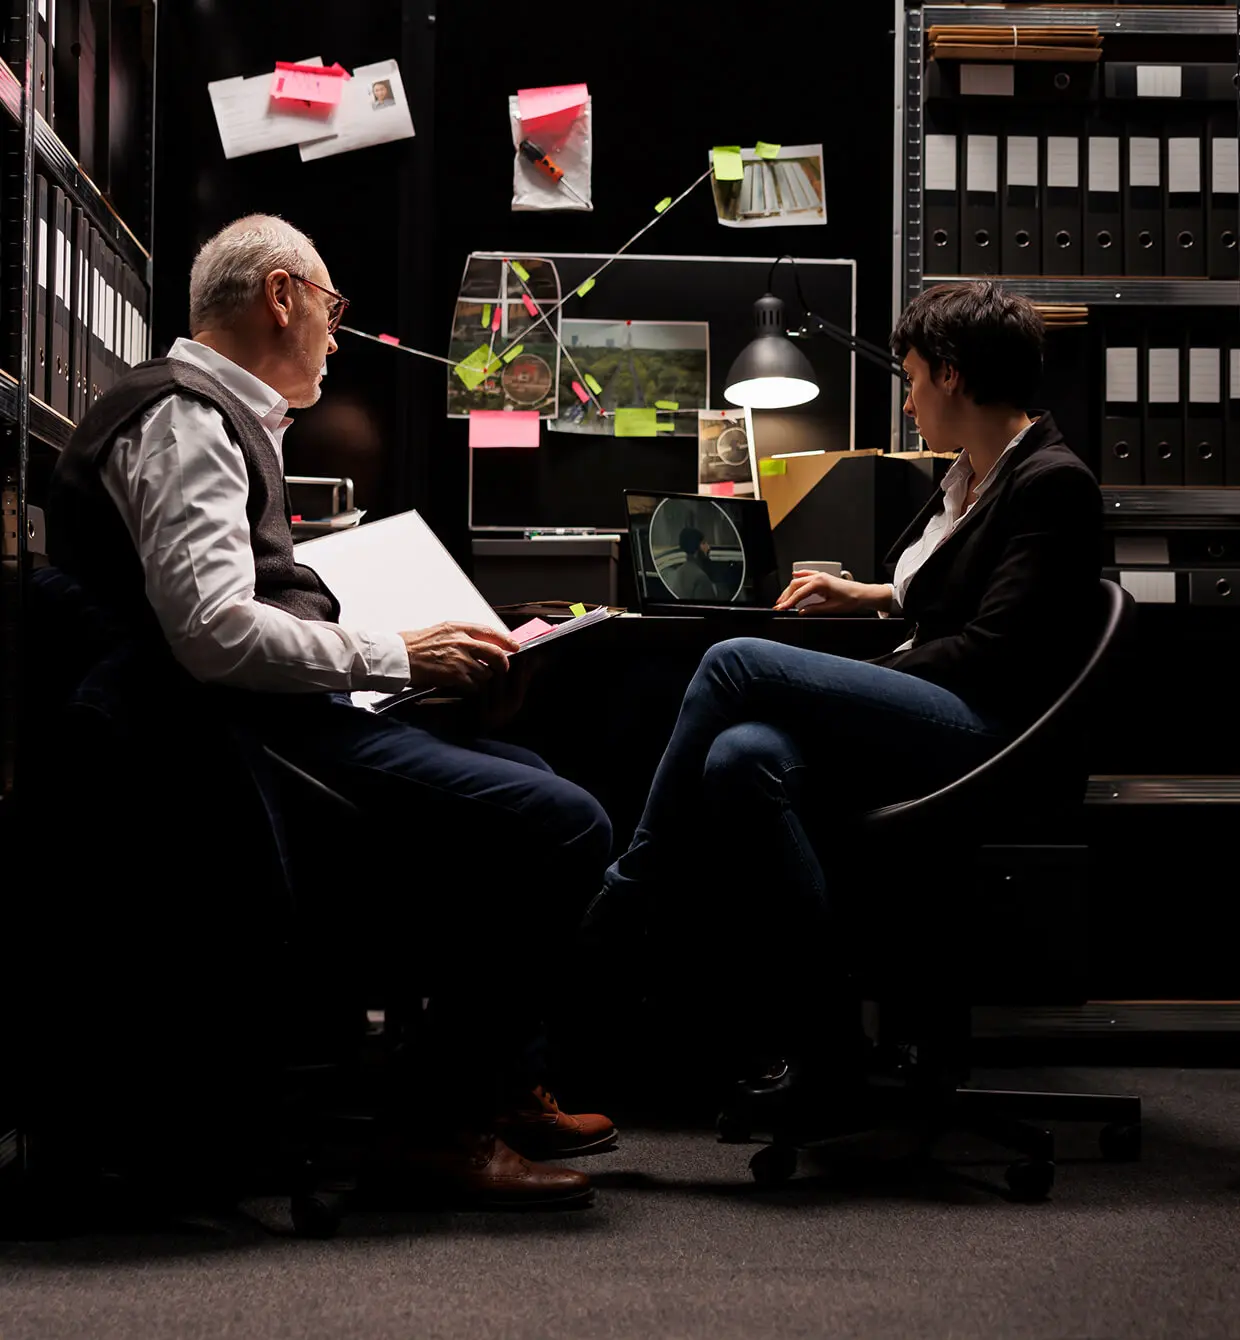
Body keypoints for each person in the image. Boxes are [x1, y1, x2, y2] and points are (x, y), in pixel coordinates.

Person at [46, 215, 616, 1210]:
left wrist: (416, 669)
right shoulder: (187, 422)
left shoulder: (217, 418)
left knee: (536, 778)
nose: (336, 334)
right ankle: (435, 1125)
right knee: (562, 823)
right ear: (281, 296)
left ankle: (488, 1076)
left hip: (271, 729)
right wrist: (400, 654)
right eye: (330, 306)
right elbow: (216, 632)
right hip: (242, 751)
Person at [584, 281, 1102, 1113]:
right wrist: (868, 597)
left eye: (912, 378)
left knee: (736, 663)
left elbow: (996, 650)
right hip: (945, 706)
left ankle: (631, 894)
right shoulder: (971, 475)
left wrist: (842, 689)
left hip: (991, 734)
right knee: (740, 757)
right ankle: (827, 1049)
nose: (907, 398)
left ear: (954, 374)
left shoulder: (1050, 482)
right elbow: (949, 591)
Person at [665, 526, 721, 601]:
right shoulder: (701, 578)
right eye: (703, 543)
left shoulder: (678, 572)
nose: (708, 547)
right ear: (696, 548)